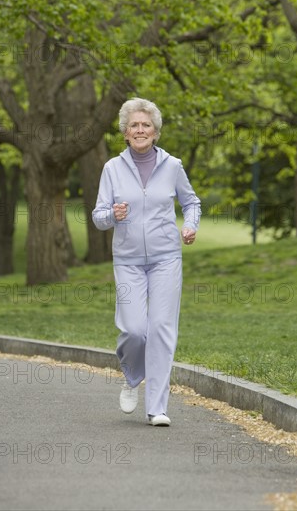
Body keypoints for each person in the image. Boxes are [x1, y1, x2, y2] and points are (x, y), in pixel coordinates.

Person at [92, 97, 201, 426]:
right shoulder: (112, 168)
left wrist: (190, 225)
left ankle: (157, 407)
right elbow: (98, 218)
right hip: (127, 260)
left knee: (161, 329)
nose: (140, 130)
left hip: (166, 257)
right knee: (135, 330)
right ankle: (131, 376)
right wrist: (113, 214)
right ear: (125, 133)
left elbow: (191, 202)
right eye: (134, 125)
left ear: (156, 132)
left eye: (146, 125)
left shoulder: (173, 166)